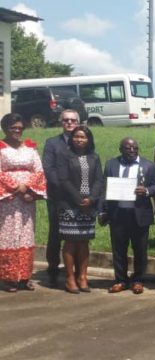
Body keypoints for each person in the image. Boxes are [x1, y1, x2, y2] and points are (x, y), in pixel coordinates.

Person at [99, 138, 155, 295]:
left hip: (139, 214)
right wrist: (102, 210)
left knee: (140, 249)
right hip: (118, 214)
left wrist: (146, 191)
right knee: (119, 249)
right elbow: (104, 188)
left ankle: (138, 280)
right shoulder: (111, 164)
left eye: (135, 148)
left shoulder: (148, 165)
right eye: (128, 148)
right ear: (121, 149)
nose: (132, 151)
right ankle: (121, 280)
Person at [0, 113, 46, 292]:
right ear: (5, 128)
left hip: (26, 199)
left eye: (20, 128)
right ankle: (8, 278)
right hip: (8, 199)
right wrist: (15, 187)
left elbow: (38, 171)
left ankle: (24, 276)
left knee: (26, 235)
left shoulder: (29, 148)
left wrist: (29, 190)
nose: (17, 131)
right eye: (13, 128)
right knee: (8, 235)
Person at [56, 126, 104, 294]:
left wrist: (91, 198)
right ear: (72, 138)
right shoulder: (64, 155)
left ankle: (82, 276)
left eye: (83, 137)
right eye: (76, 136)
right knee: (70, 241)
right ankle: (70, 278)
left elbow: (99, 180)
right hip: (69, 205)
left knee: (84, 241)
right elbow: (63, 180)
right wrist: (78, 199)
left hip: (88, 206)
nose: (79, 139)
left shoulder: (94, 157)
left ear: (88, 139)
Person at [42, 109, 79, 287]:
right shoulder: (52, 143)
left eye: (73, 120)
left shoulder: (83, 141)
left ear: (78, 122)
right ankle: (53, 271)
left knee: (78, 235)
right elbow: (48, 169)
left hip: (78, 197)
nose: (69, 123)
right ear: (61, 122)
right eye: (66, 120)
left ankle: (77, 272)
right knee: (55, 234)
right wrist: (66, 188)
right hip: (57, 196)